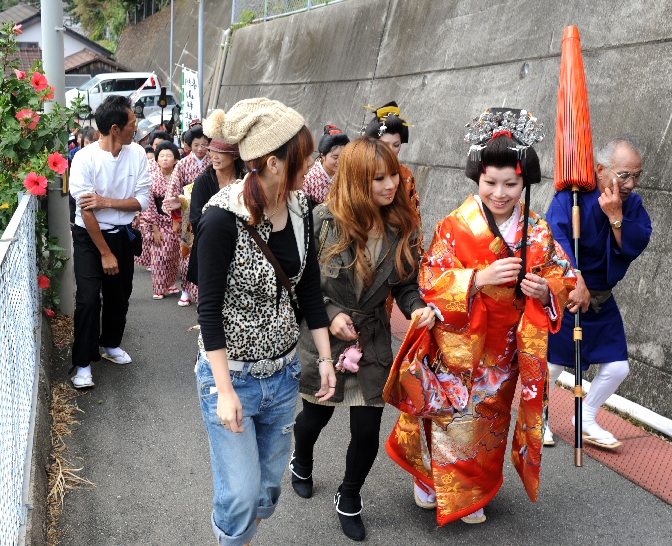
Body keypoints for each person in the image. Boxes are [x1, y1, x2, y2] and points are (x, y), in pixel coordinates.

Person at [385, 108, 575, 526]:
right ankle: (433, 483)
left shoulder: (538, 232)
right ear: (477, 179)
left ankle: (469, 494)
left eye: (511, 184)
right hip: (457, 341)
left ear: (525, 181)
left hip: (504, 348)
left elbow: (566, 280)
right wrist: (478, 278)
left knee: (487, 423)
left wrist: (545, 290)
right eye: (491, 183)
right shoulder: (456, 225)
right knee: (448, 416)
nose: (501, 193)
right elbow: (431, 277)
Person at [195, 98, 336, 546]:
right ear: (273, 162)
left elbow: (309, 289)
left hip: (284, 374)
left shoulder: (302, 211)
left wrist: (327, 357)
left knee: (266, 493)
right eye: (305, 155)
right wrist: (226, 392)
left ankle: (241, 536)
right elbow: (208, 309)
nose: (313, 162)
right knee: (239, 493)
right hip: (233, 375)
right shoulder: (220, 219)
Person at [291, 137, 434, 541]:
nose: (392, 184)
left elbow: (405, 284)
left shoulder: (400, 226)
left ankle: (349, 496)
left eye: (393, 175)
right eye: (379, 178)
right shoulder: (321, 222)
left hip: (371, 338)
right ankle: (301, 458)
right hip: (323, 339)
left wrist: (416, 306)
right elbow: (301, 286)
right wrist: (332, 315)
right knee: (315, 417)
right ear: (355, 180)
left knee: (367, 429)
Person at [545, 138, 652, 449]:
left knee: (618, 366)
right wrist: (574, 277)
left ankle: (586, 417)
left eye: (637, 175)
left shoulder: (632, 203)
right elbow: (553, 236)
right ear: (602, 169)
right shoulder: (573, 198)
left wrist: (616, 216)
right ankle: (539, 417)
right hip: (569, 293)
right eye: (624, 175)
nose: (631, 183)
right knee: (553, 364)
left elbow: (635, 244)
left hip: (602, 298)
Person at [68, 95, 151, 389]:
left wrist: (107, 201)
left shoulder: (138, 154)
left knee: (119, 295)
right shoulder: (84, 158)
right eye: (132, 122)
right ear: (115, 128)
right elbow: (86, 210)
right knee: (89, 298)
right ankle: (82, 362)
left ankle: (111, 344)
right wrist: (105, 253)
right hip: (90, 238)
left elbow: (141, 201)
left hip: (122, 234)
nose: (136, 126)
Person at [185, 137, 246, 288]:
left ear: (235, 155)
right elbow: (196, 218)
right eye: (212, 151)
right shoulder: (203, 182)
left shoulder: (246, 180)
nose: (214, 156)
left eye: (221, 152)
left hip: (243, 248)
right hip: (211, 246)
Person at [162, 124, 211, 307]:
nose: (200, 149)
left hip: (210, 211)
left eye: (204, 144)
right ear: (190, 145)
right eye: (196, 144)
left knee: (206, 253)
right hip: (188, 214)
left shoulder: (213, 162)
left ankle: (204, 292)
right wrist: (176, 216)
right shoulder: (183, 164)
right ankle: (186, 289)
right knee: (187, 253)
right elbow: (173, 191)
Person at [363, 101, 421, 223]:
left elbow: (413, 215)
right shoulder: (361, 169)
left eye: (396, 145)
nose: (390, 150)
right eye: (384, 145)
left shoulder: (406, 174)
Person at [138, 141, 181, 299]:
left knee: (174, 255)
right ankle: (158, 288)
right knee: (158, 255)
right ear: (156, 160)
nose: (165, 159)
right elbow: (149, 204)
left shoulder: (179, 177)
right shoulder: (152, 178)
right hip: (160, 221)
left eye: (169, 155)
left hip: (177, 220)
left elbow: (184, 200)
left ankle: (170, 284)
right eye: (161, 156)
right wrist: (154, 228)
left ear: (176, 159)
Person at [302, 125, 349, 207]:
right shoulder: (310, 177)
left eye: (343, 157)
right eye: (335, 157)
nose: (340, 161)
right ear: (323, 155)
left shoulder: (347, 173)